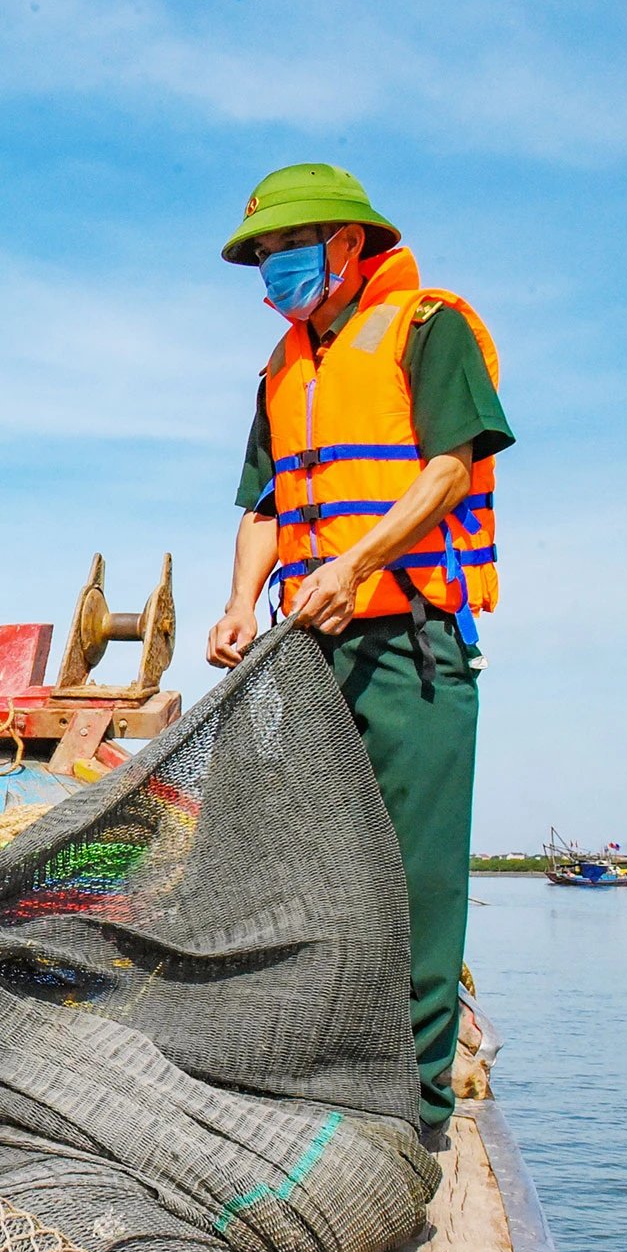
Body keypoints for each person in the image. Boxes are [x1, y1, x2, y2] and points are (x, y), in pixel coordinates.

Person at [202, 163, 513, 1131]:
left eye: (288, 248)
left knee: (416, 884)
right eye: (262, 254)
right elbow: (265, 507)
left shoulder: (427, 328)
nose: (274, 268)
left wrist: (356, 563)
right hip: (312, 653)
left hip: (411, 646)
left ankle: (414, 1112)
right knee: (307, 874)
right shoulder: (280, 369)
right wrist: (238, 603)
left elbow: (450, 468)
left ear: (347, 243)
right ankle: (319, 1080)